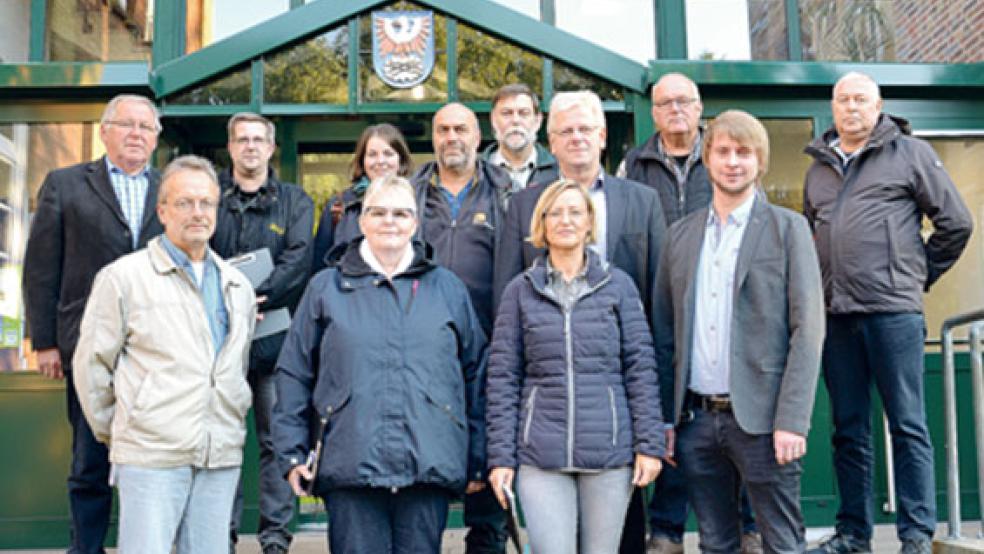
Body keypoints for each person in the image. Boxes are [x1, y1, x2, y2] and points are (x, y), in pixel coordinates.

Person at [803, 72, 973, 554]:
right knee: (847, 429)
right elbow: (810, 237)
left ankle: (916, 535)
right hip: (836, 316)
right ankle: (854, 533)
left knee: (908, 423)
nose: (851, 107)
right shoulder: (817, 167)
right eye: (842, 99)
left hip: (892, 313)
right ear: (832, 107)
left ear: (878, 106)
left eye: (860, 99)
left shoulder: (911, 154)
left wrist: (915, 275)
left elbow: (955, 224)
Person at [273, 175, 488, 554]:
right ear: (362, 221)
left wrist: (477, 455)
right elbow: (294, 372)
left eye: (401, 213)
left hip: (428, 461)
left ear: (415, 223)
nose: (390, 221)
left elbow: (476, 373)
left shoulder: (447, 288)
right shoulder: (326, 288)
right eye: (379, 212)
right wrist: (292, 451)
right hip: (350, 460)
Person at [654, 109, 825, 554]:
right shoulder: (680, 237)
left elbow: (808, 330)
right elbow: (665, 334)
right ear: (707, 158)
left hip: (765, 422)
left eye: (744, 153)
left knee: (782, 543)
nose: (733, 162)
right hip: (696, 422)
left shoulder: (789, 229)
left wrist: (792, 419)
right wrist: (667, 419)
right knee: (716, 542)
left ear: (759, 162)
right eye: (724, 151)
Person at [72, 155, 257, 553]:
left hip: (218, 453)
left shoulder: (237, 285)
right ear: (162, 211)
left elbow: (235, 366)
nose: (197, 213)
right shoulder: (124, 278)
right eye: (184, 203)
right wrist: (128, 427)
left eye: (206, 203)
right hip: (152, 455)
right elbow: (91, 368)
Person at [487, 178, 665, 554]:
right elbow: (503, 377)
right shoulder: (520, 290)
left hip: (608, 452)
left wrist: (649, 445)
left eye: (575, 212)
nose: (565, 220)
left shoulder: (619, 286)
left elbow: (641, 368)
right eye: (556, 213)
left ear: (589, 223)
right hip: (540, 454)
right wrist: (500, 457)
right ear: (542, 224)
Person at [622, 72, 760, 554]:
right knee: (676, 421)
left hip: (724, 308)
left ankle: (747, 529)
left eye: (684, 101)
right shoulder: (633, 164)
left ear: (700, 107)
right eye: (665, 103)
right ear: (654, 112)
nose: (675, 110)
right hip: (661, 307)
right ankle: (666, 532)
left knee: (735, 419)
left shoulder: (722, 157)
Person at [22, 93, 164, 553]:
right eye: (127, 125)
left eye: (147, 127)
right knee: (89, 459)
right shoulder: (66, 184)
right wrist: (44, 341)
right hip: (88, 346)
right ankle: (85, 548)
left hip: (156, 349)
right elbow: (42, 266)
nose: (137, 134)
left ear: (157, 138)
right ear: (105, 131)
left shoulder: (171, 189)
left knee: (152, 458)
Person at [209, 112, 314, 554]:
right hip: (217, 344)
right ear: (231, 147)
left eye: (259, 140)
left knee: (276, 442)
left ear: (271, 148)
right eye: (242, 139)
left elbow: (298, 260)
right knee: (221, 441)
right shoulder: (210, 195)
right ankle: (221, 535)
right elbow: (197, 251)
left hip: (275, 344)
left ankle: (275, 538)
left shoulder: (295, 200)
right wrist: (231, 302)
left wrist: (255, 298)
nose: (250, 147)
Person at [410, 102, 512, 554]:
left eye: (461, 129)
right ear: (433, 138)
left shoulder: (506, 193)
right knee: (423, 485)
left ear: (478, 135)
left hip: (490, 355)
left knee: (490, 489)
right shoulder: (410, 194)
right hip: (422, 357)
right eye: (443, 129)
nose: (452, 137)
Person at [311, 123, 414, 273]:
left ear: (400, 159)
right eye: (372, 154)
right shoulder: (339, 205)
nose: (380, 161)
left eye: (388, 153)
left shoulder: (418, 201)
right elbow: (320, 265)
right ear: (362, 160)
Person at [481, 83, 559, 194]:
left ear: (538, 121)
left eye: (523, 113)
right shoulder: (476, 172)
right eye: (506, 113)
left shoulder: (558, 171)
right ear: (493, 120)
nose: (515, 120)